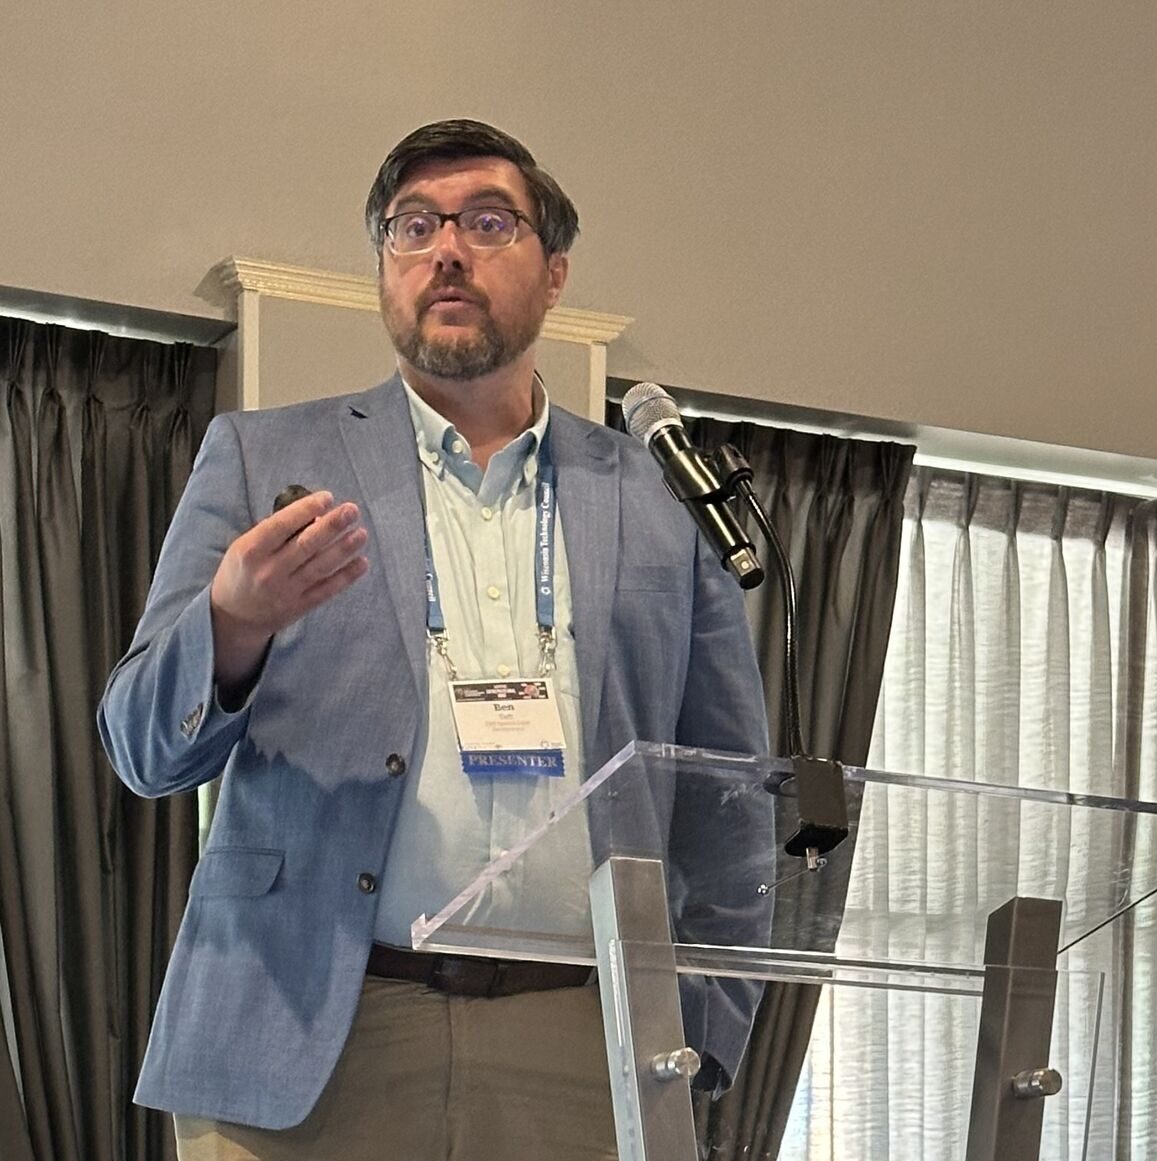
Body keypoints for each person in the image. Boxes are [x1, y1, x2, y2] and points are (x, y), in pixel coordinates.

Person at [98, 119, 769, 1161]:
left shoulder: (658, 494)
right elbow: (140, 750)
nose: (446, 248)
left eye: (486, 222)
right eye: (413, 227)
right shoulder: (261, 455)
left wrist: (706, 1036)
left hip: (583, 1042)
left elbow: (730, 798)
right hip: (310, 1026)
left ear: (553, 275)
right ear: (384, 271)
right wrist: (232, 624)